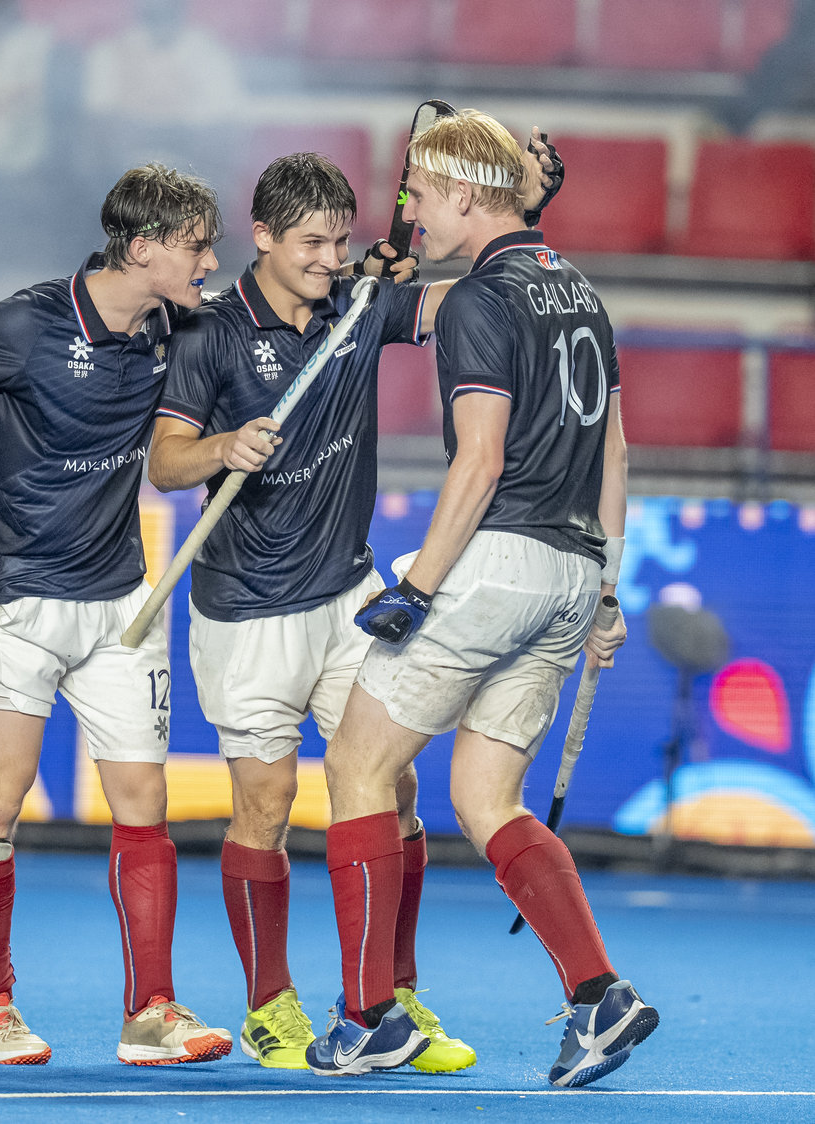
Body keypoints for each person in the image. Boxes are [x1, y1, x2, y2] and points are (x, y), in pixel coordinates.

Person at [147, 138, 560, 1072]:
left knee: (395, 788)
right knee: (266, 806)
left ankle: (387, 998)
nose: (330, 261)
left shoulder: (360, 306)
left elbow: (476, 293)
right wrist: (222, 449)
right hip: (245, 609)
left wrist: (523, 217)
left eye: (340, 242)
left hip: (348, 593)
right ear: (260, 236)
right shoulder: (209, 333)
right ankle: (269, 1005)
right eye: (310, 245)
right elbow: (164, 461)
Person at [306, 108, 655, 1088]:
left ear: (464, 192)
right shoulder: (579, 290)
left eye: (420, 193)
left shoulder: (475, 300)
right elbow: (614, 453)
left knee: (357, 765)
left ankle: (368, 1013)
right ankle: (598, 993)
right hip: (570, 570)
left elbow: (480, 459)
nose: (413, 211)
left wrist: (413, 588)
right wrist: (605, 591)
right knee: (482, 795)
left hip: (493, 562)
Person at [0, 163, 234, 1067]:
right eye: (196, 245)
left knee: (143, 805)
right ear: (142, 248)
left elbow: (271, 310)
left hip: (120, 605)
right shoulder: (16, 326)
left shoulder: (175, 329)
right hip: (18, 598)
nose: (210, 260)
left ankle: (151, 1012)